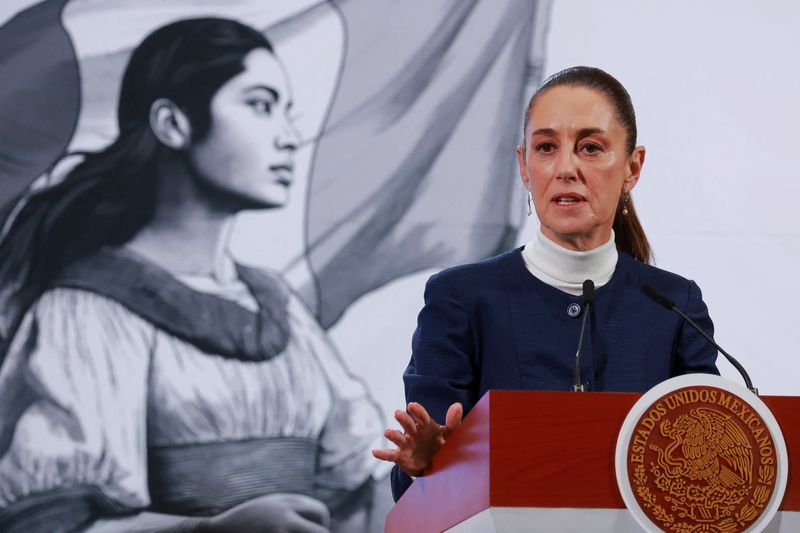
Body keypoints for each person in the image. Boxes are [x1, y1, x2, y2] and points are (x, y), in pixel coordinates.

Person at [0, 17, 383, 532]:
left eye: (286, 113)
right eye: (260, 105)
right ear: (172, 124)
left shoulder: (277, 305)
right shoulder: (87, 309)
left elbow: (355, 482)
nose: (290, 138)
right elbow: (44, 522)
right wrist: (210, 530)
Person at [372, 66, 720, 501]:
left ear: (633, 168)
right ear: (523, 165)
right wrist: (424, 464)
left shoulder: (674, 304)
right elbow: (417, 480)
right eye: (546, 148)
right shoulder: (460, 299)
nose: (566, 168)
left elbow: (717, 451)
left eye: (591, 148)